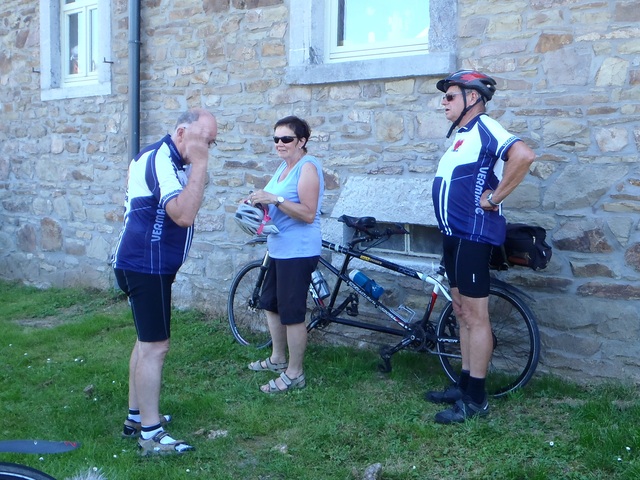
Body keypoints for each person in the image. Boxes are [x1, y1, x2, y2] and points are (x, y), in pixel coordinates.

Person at [427, 70, 535, 424]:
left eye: (450, 96)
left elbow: (523, 155)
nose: (444, 102)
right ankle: (463, 384)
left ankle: (476, 399)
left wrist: (495, 198)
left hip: (474, 235)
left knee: (476, 316)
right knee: (461, 312)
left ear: (472, 98)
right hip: (453, 235)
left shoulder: (486, 127)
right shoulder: (463, 135)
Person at [111, 108, 218, 454]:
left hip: (148, 264)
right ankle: (150, 434)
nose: (207, 147)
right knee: (156, 347)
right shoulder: (160, 158)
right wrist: (200, 163)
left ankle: (136, 418)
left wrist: (196, 164)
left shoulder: (174, 161)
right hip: (146, 266)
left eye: (212, 142)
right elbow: (183, 214)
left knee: (145, 343)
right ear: (182, 132)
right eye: (204, 139)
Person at [246, 115, 324, 394]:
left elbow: (307, 213)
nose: (280, 143)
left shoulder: (308, 168)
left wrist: (275, 199)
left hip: (299, 251)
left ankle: (295, 373)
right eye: (276, 138)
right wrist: (255, 201)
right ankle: (278, 359)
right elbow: (273, 203)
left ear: (302, 141)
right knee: (270, 303)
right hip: (278, 248)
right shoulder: (283, 167)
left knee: (292, 314)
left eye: (286, 139)